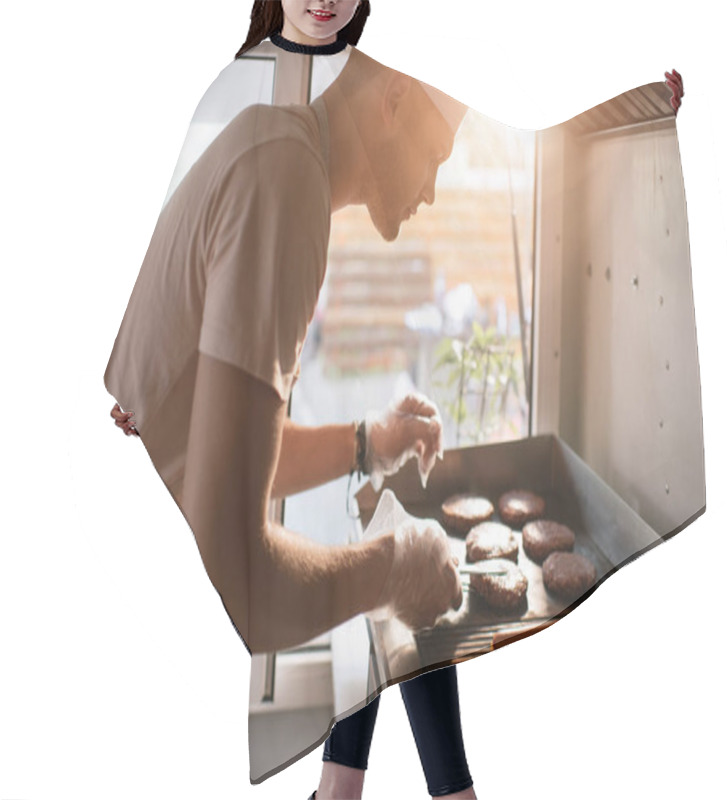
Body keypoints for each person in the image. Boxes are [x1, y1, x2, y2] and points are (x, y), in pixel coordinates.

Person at [107, 3, 477, 797]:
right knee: (394, 569)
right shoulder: (286, 173)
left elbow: (251, 455)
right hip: (169, 485)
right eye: (438, 157)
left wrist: (368, 441)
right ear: (392, 103)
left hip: (221, 431)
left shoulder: (290, 148)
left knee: (380, 568)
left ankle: (344, 791)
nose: (435, 191)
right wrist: (395, 568)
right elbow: (242, 560)